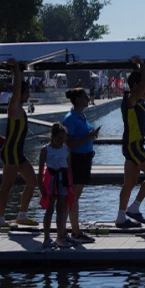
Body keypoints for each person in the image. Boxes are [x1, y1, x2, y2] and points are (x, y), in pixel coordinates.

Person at [116, 56, 145, 228]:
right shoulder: (131, 99)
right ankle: (134, 208)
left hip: (132, 145)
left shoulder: (139, 99)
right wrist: (142, 66)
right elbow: (143, 86)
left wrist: (142, 73)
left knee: (129, 183)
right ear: (135, 86)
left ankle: (121, 217)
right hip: (133, 145)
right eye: (143, 84)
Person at [0, 59, 38, 229]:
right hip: (11, 153)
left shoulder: (19, 108)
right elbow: (16, 90)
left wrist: (21, 71)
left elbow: (19, 90)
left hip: (18, 153)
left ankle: (22, 215)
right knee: (7, 186)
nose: (28, 96)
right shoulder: (14, 107)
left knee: (32, 182)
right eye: (27, 93)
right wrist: (17, 72)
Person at [62, 88, 99, 243]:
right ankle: (74, 231)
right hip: (76, 159)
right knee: (73, 196)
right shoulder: (70, 118)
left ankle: (74, 229)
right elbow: (67, 142)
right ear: (77, 100)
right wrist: (88, 138)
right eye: (85, 97)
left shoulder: (81, 116)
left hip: (85, 158)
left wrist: (90, 139)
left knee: (75, 196)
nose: (88, 99)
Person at [38, 123, 75, 248]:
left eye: (63, 139)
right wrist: (41, 186)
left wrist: (71, 183)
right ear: (52, 137)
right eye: (59, 138)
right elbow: (40, 170)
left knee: (62, 209)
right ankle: (47, 237)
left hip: (63, 179)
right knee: (50, 209)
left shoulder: (66, 149)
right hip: (51, 179)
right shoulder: (45, 150)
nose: (61, 141)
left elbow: (69, 167)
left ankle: (61, 236)